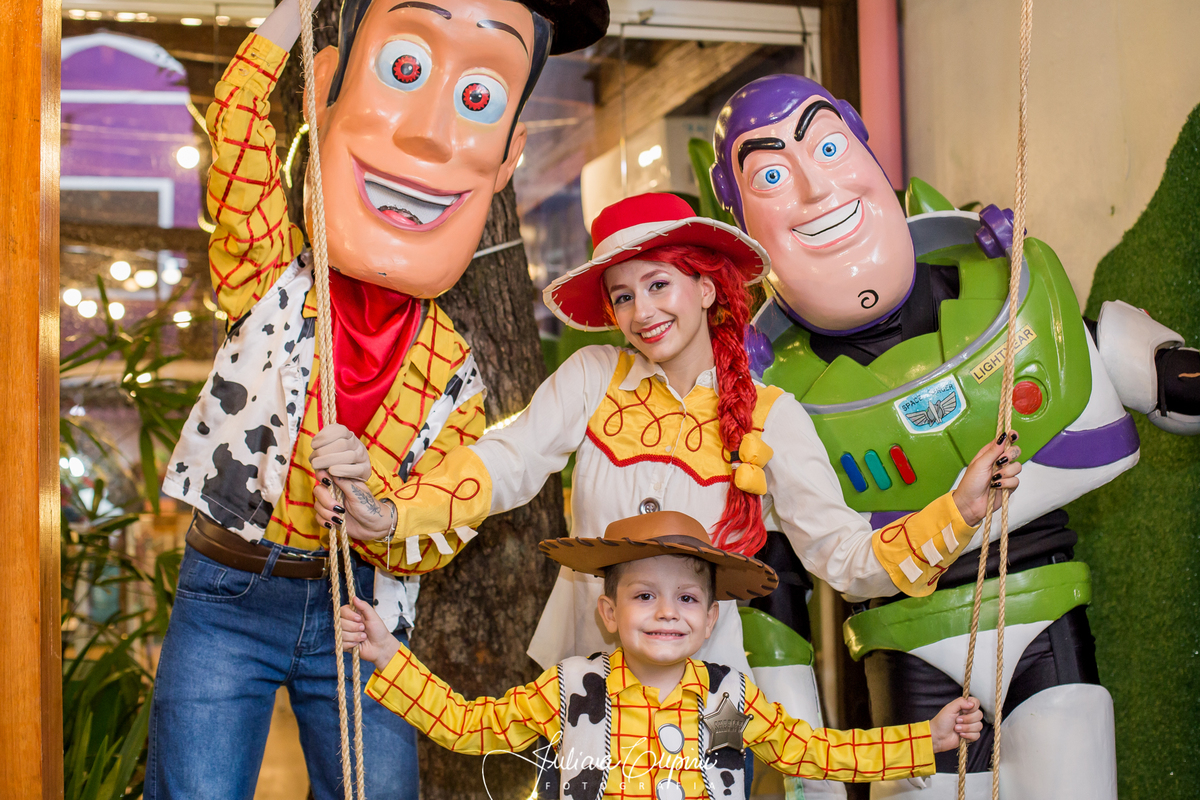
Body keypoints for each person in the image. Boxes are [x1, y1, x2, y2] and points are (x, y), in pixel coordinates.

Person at [310, 191, 1020, 798]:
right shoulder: (593, 375)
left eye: (658, 284)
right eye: (623, 295)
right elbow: (508, 460)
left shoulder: (772, 416)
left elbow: (842, 557)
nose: (640, 310)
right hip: (586, 682)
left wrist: (957, 511)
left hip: (710, 688)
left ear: (706, 287)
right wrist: (390, 512)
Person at [148, 0, 608, 796]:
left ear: (509, 158)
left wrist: (377, 513)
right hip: (230, 590)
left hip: (360, 614)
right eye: (403, 68)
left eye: (477, 99)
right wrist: (295, 10)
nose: (428, 136)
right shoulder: (272, 281)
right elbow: (238, 121)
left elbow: (444, 524)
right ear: (326, 88)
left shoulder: (452, 368)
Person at [708, 74, 1200, 799]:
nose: (814, 189)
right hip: (904, 654)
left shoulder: (1000, 290)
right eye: (772, 176)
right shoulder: (771, 407)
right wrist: (810, 774)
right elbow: (771, 598)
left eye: (829, 146)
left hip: (1040, 618)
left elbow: (1149, 373)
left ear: (865, 148)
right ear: (741, 223)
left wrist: (1165, 373)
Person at [337, 511, 986, 799]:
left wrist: (924, 739)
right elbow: (470, 726)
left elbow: (812, 753)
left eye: (686, 598)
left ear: (709, 621)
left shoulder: (726, 700)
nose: (667, 612)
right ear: (610, 613)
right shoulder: (572, 688)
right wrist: (388, 653)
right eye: (645, 595)